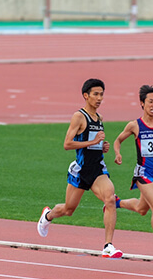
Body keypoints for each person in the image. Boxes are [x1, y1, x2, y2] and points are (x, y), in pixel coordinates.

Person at [37, 78, 123, 258]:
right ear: (86, 95)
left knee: (109, 198)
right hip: (81, 170)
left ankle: (108, 245)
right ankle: (48, 215)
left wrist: (102, 147)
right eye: (95, 94)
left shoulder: (99, 118)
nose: (99, 98)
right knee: (68, 210)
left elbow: (94, 146)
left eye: (101, 94)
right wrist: (93, 142)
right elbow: (67, 144)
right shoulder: (79, 117)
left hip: (98, 169)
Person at [112, 85, 153, 261]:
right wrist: (117, 153)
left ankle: (116, 202)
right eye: (150, 101)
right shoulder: (134, 126)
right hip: (143, 173)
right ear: (142, 103)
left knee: (142, 209)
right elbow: (118, 140)